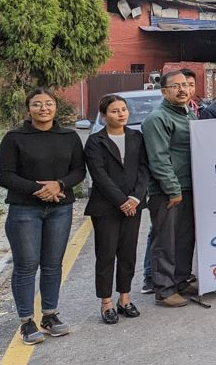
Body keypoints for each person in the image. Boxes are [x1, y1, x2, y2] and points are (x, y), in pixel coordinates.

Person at [0, 88, 84, 344]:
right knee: (26, 266)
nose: (43, 108)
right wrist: (39, 189)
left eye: (48, 104)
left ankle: (49, 315)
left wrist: (59, 184)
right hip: (24, 210)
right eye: (37, 104)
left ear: (56, 107)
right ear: (29, 109)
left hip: (60, 208)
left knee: (53, 264)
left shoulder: (69, 136)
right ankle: (26, 322)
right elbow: (4, 175)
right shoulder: (14, 138)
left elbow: (79, 170)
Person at [84, 95, 149, 324]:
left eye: (123, 110)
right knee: (106, 254)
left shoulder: (136, 137)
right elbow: (99, 175)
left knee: (128, 253)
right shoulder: (95, 141)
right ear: (104, 116)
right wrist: (122, 201)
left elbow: (144, 169)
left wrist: (135, 199)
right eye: (114, 111)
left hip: (134, 205)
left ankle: (124, 298)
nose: (121, 114)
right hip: (106, 208)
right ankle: (106, 303)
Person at [143, 71, 198, 307]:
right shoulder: (158, 118)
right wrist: (173, 189)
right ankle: (164, 289)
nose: (182, 89)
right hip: (168, 192)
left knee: (185, 239)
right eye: (176, 86)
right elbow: (159, 159)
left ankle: (181, 280)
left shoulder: (189, 114)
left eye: (185, 85)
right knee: (165, 241)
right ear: (164, 91)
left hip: (190, 186)